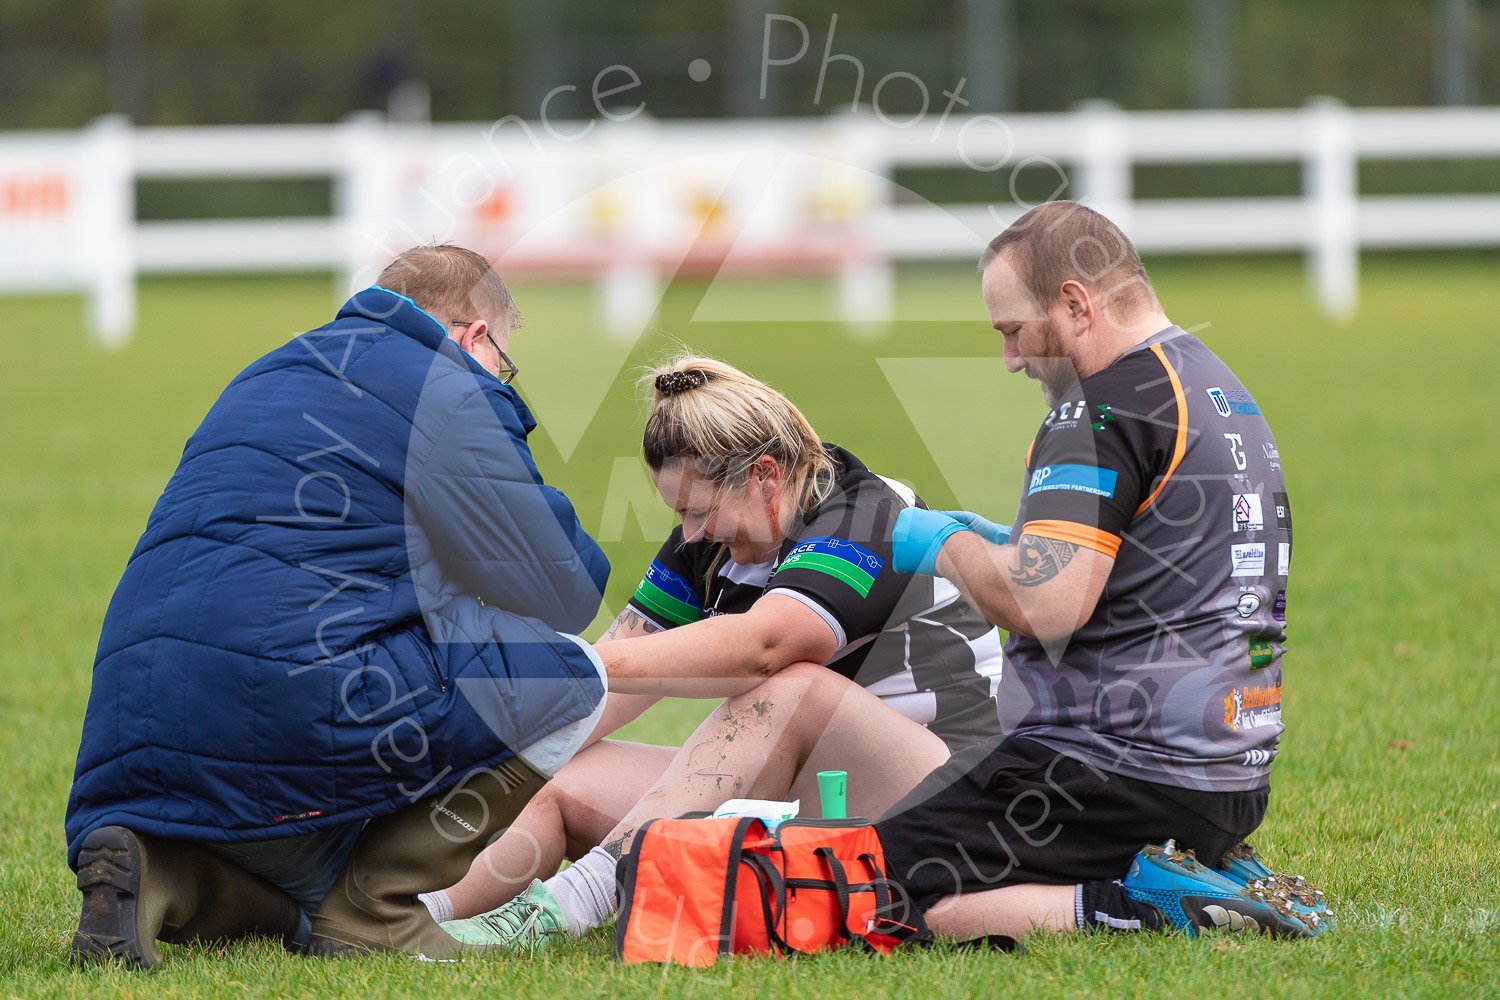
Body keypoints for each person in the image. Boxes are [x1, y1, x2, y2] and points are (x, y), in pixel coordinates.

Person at [65, 245, 611, 967]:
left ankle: (156, 867)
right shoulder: (448, 385)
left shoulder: (267, 369)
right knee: (572, 674)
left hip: (131, 719)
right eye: (503, 364)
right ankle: (377, 908)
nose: (499, 378)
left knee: (297, 910)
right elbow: (565, 588)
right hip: (290, 698)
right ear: (475, 334)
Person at [427, 356, 1009, 947]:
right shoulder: (711, 534)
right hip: (814, 800)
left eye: (699, 512)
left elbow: (764, 647)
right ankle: (414, 911)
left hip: (946, 798)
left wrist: (579, 662)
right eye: (680, 513)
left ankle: (568, 906)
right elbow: (604, 686)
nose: (690, 533)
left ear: (765, 475)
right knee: (563, 772)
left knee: (790, 687)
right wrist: (472, 758)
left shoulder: (868, 513)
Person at [872, 200, 1330, 939]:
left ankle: (1151, 905)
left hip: (1104, 777)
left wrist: (942, 544)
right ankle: (1186, 874)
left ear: (1075, 304)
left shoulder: (1102, 407)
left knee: (867, 883)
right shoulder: (1210, 384)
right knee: (942, 887)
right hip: (1226, 776)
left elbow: (1046, 606)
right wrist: (1004, 542)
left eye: (1013, 331)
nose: (1011, 359)